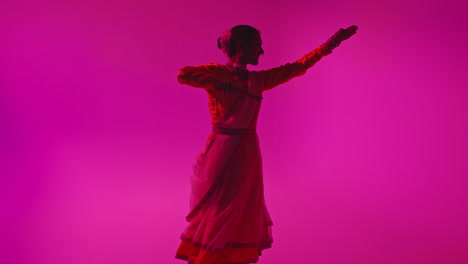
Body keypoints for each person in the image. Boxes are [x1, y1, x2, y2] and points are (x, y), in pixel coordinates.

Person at [175, 24, 358, 264]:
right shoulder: (217, 72)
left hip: (248, 149)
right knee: (221, 203)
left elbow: (298, 67)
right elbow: (183, 74)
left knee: (242, 204)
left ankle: (229, 256)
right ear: (241, 45)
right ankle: (207, 256)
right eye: (258, 46)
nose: (261, 52)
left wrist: (330, 44)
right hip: (223, 147)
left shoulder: (259, 80)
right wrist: (220, 83)